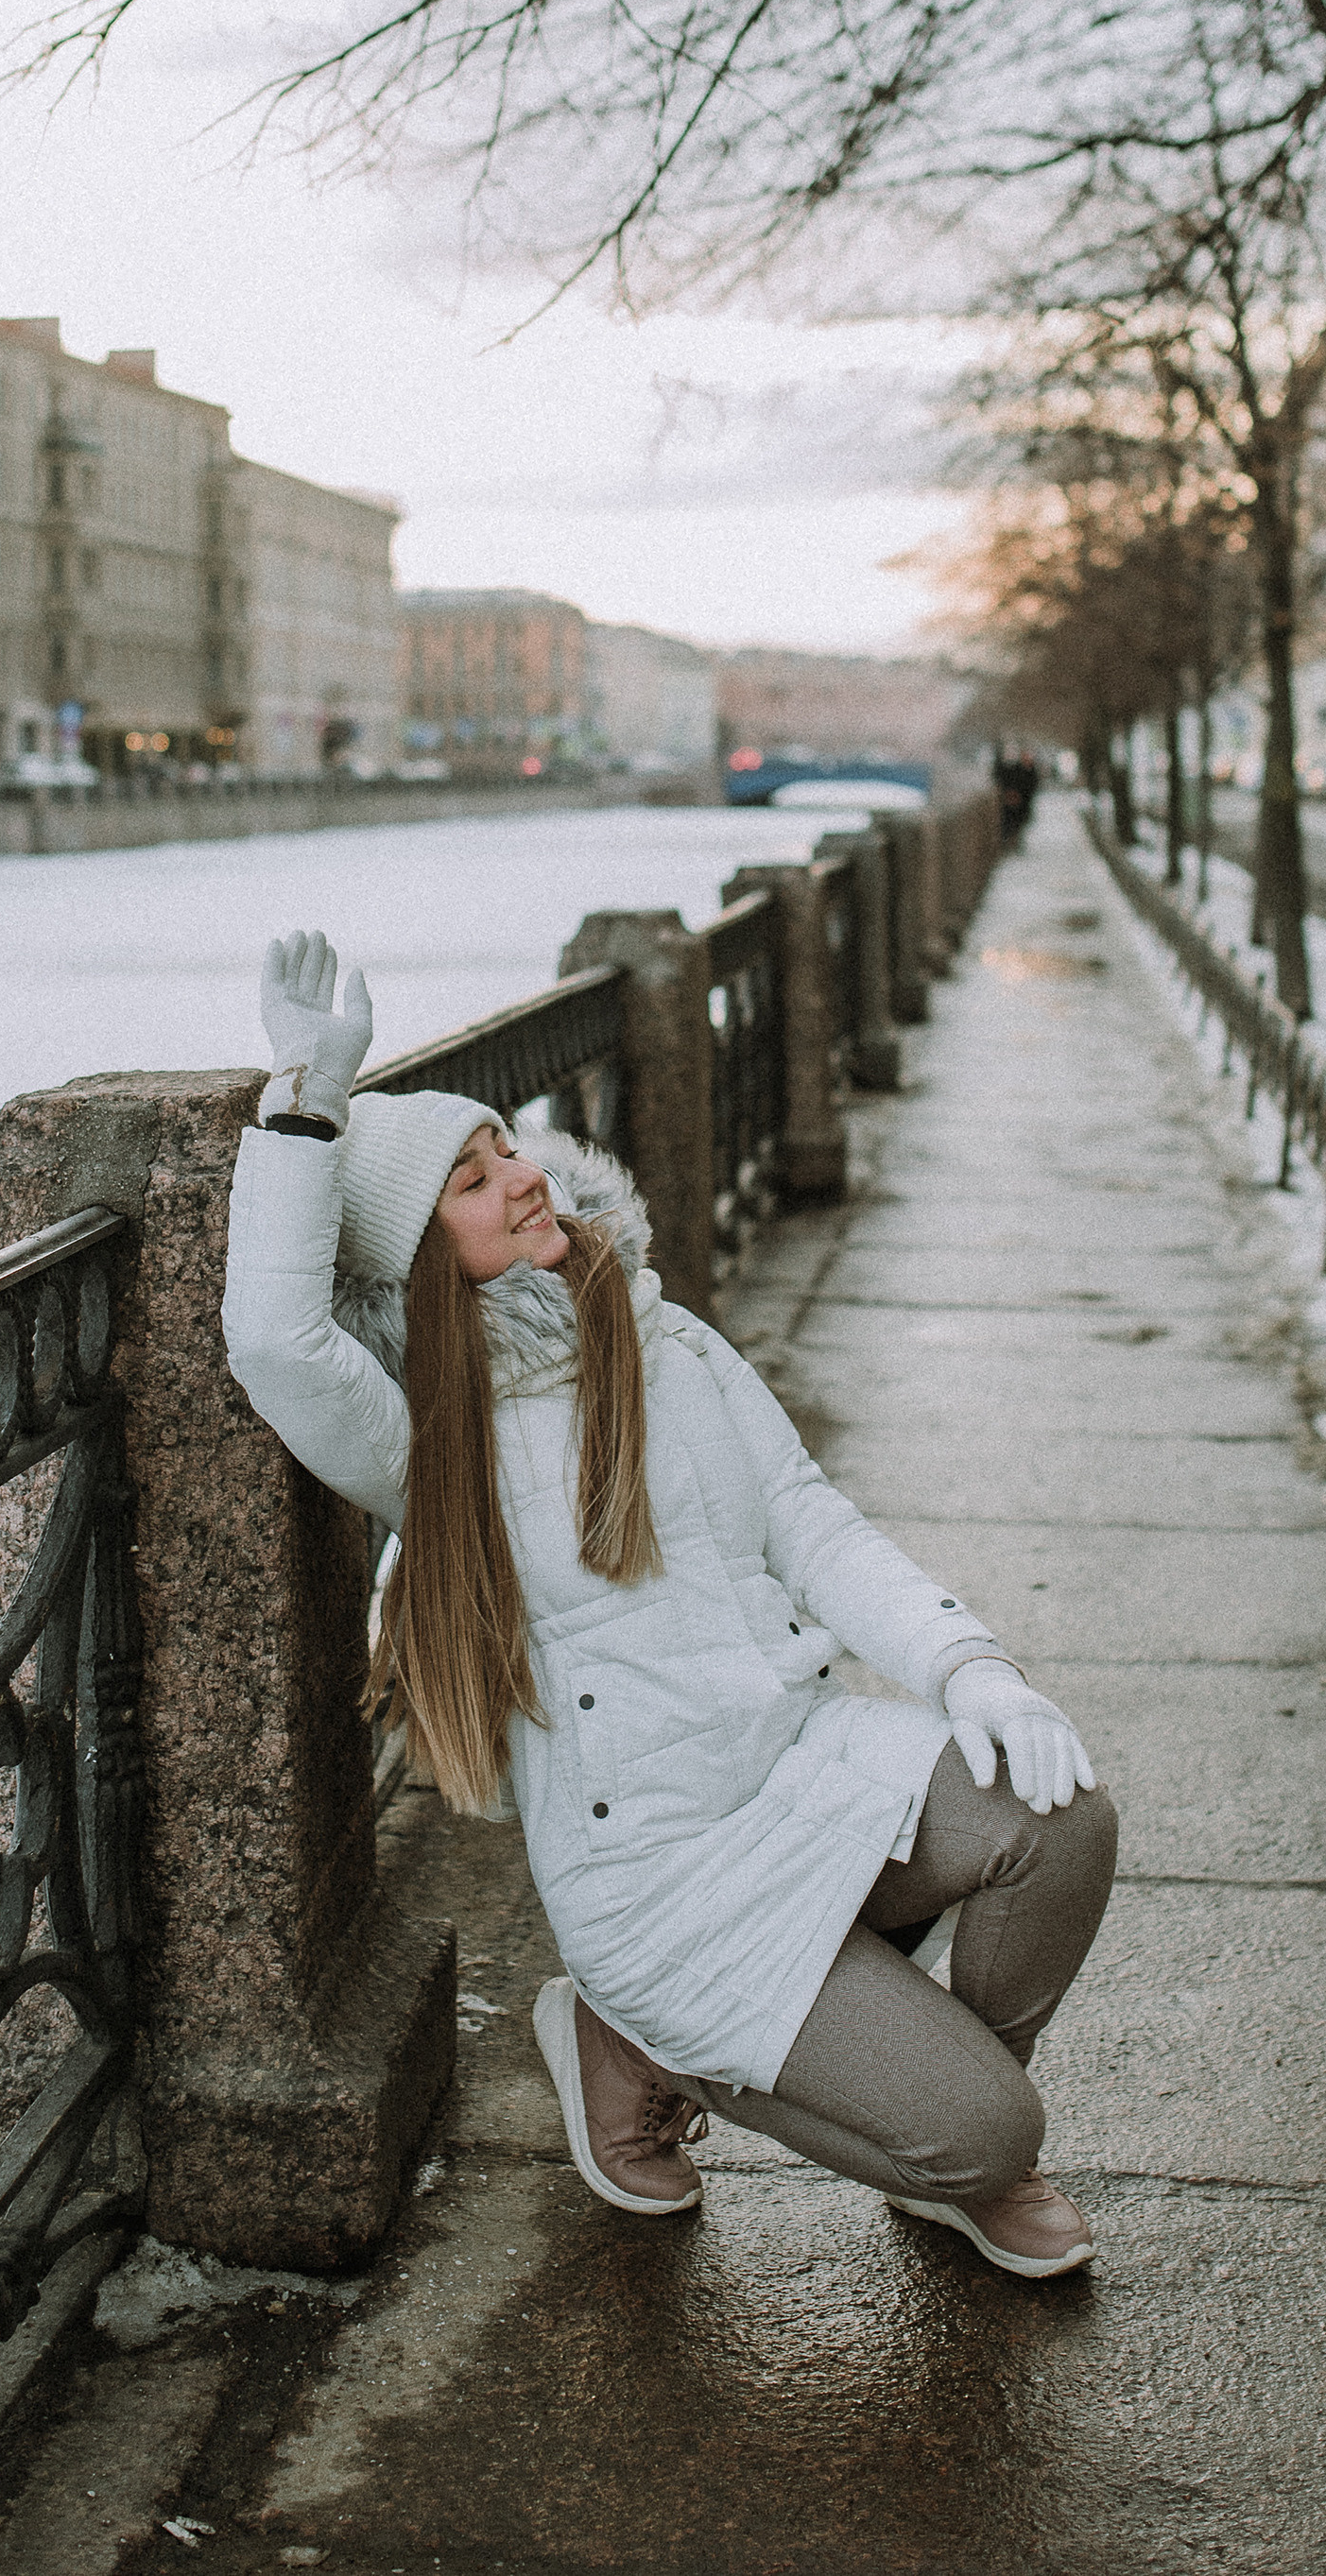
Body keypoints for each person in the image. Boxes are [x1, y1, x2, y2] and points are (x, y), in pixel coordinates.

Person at [222, 930, 1118, 2279]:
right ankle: (654, 2046)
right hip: (663, 1881)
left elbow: (813, 1527)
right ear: (414, 1260)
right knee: (989, 2134)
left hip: (804, 1771)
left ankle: (944, 2122)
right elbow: (277, 1339)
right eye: (472, 1183)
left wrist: (968, 1666)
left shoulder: (658, 1333)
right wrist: (301, 1099)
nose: (521, 1176)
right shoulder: (424, 1434)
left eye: (505, 1148)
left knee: (1061, 1820)